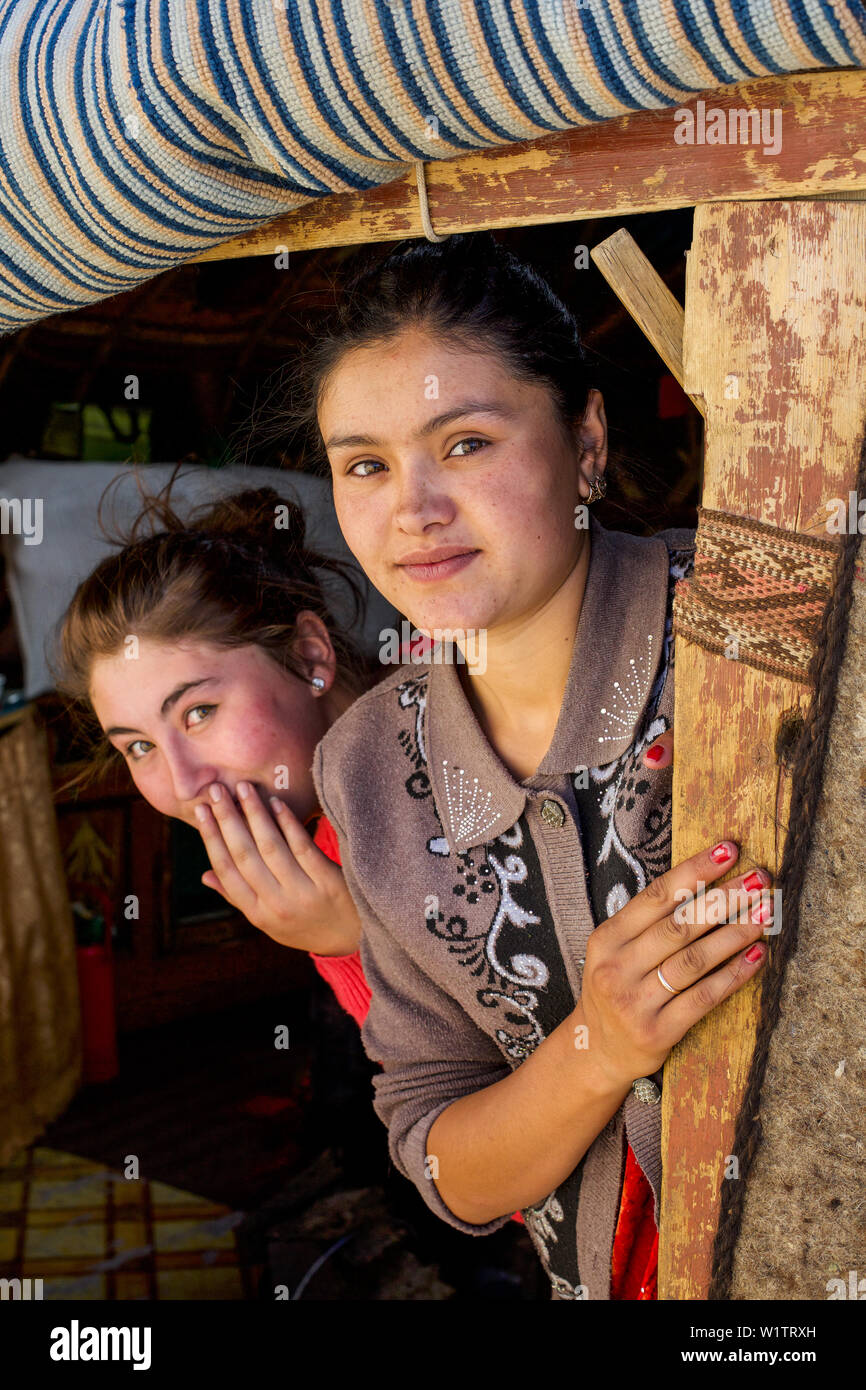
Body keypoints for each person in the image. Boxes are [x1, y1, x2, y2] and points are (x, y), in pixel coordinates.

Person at [269, 230, 775, 1301]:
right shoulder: (364, 768)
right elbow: (444, 1159)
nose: (411, 508)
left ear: (584, 441)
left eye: (462, 444)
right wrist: (597, 1045)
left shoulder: (763, 616)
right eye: (364, 464)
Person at [52, 457, 680, 1293]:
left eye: (198, 712)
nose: (181, 779)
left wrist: (351, 941)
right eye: (137, 746)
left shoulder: (478, 743)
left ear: (312, 654)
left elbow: (559, 1066)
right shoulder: (318, 840)